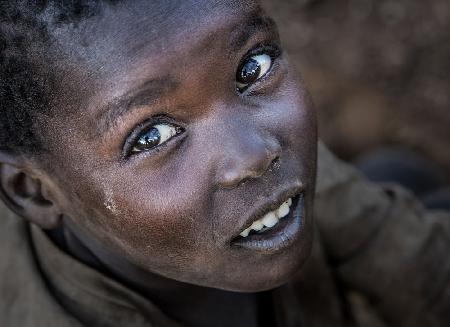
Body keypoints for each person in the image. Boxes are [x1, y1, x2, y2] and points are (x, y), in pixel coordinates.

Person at [0, 1, 448, 326]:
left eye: (252, 67)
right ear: (33, 190)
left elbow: (418, 263)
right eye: (152, 136)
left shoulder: (261, 160)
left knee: (402, 174)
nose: (254, 156)